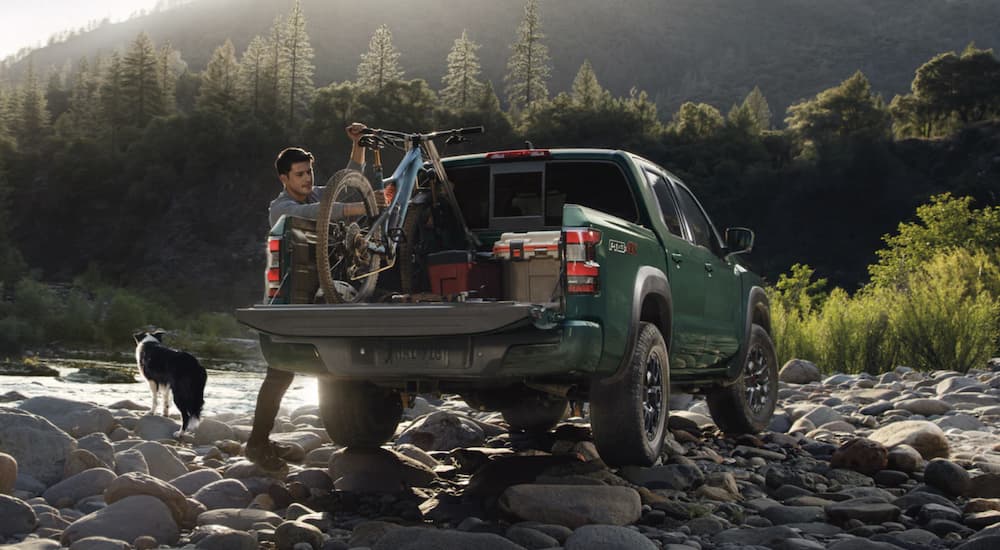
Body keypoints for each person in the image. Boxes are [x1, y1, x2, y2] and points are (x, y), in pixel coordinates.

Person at [245, 122, 368, 470]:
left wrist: (357, 144)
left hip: (320, 297)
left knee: (325, 366)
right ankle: (256, 444)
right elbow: (322, 213)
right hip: (287, 302)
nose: (307, 178)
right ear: (284, 178)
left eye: (310, 172)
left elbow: (347, 184)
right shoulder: (280, 208)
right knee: (279, 374)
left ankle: (347, 428)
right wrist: (364, 209)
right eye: (300, 174)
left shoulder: (316, 194)